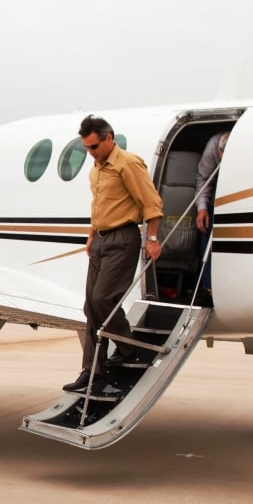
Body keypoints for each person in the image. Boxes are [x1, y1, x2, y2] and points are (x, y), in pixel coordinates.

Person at [63, 115, 163, 394]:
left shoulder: (128, 163)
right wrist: (92, 235)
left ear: (109, 138)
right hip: (101, 241)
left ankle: (129, 348)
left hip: (123, 238)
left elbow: (152, 203)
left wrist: (152, 238)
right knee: (90, 307)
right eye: (86, 147)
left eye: (94, 146)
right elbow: (99, 204)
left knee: (103, 298)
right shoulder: (96, 168)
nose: (90, 152)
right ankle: (92, 372)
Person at [194, 130, 229, 295]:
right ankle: (207, 287)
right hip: (217, 194)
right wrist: (202, 208)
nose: (221, 158)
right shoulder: (214, 145)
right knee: (207, 231)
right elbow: (204, 178)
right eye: (221, 154)